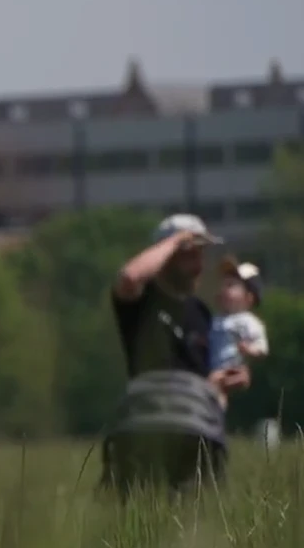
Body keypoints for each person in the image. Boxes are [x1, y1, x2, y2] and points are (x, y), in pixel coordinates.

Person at [102, 213, 246, 496]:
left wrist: (227, 382)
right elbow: (129, 277)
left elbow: (210, 377)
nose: (198, 267)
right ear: (165, 256)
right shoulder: (141, 303)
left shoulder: (202, 314)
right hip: (143, 428)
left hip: (194, 432)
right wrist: (176, 241)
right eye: (189, 256)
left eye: (200, 256)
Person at [208, 254, 270, 408]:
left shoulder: (248, 321)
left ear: (248, 297)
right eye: (223, 285)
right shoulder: (217, 318)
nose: (224, 290)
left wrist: (249, 350)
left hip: (231, 368)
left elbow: (262, 347)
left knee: (217, 397)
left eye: (230, 285)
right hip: (212, 366)